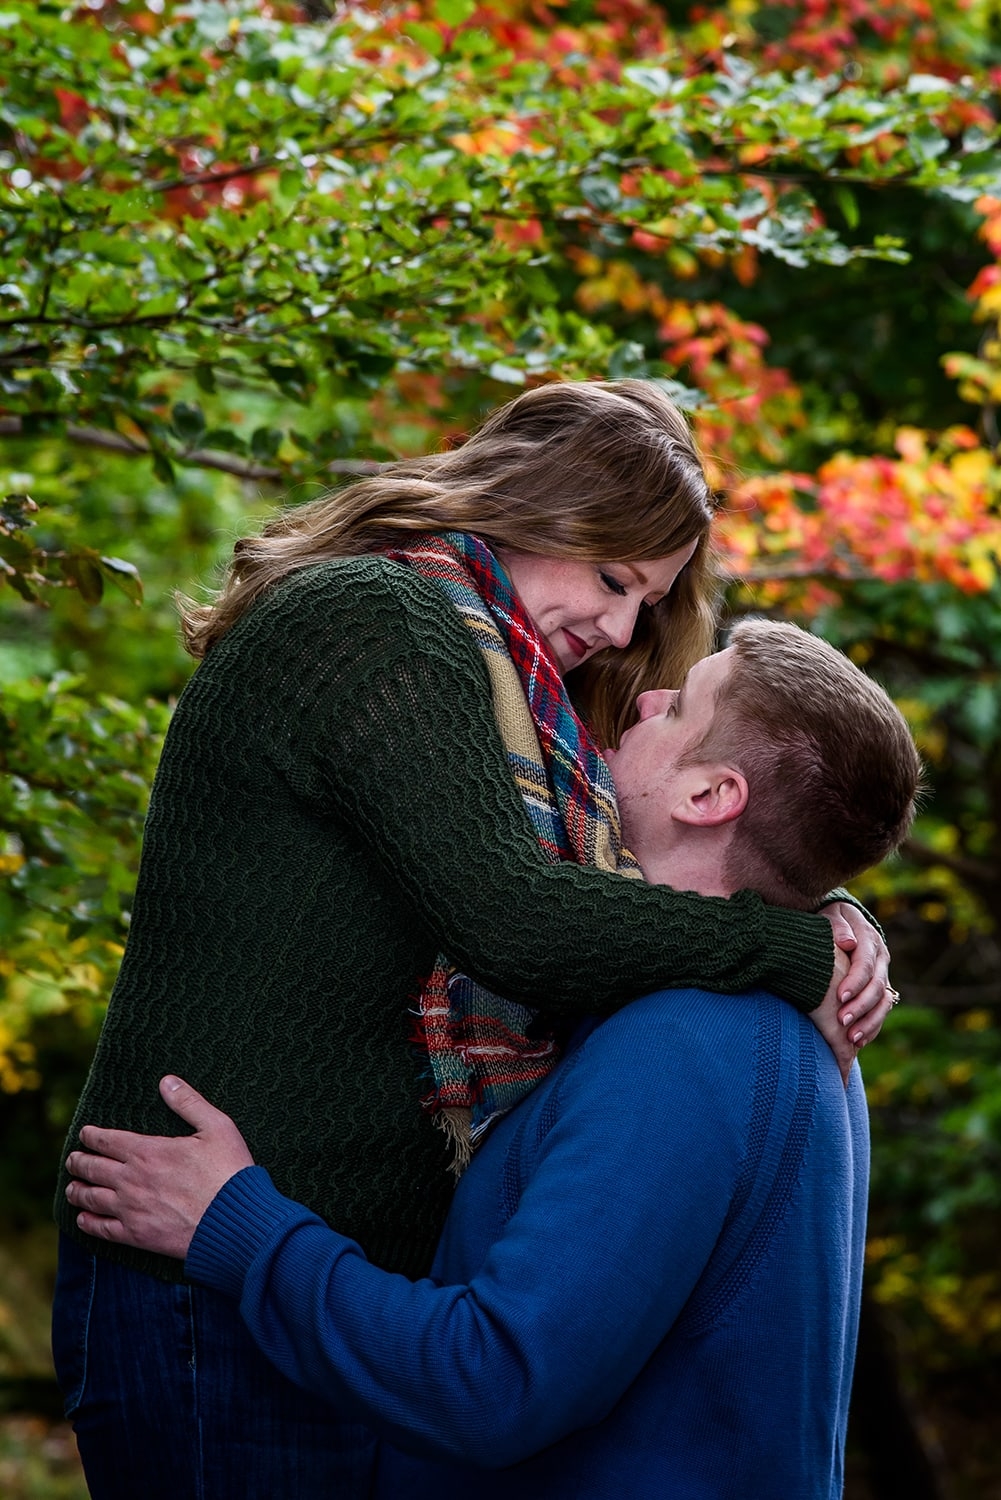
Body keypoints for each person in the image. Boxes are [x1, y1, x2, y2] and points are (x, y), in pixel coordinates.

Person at [52, 381, 890, 1499]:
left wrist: (825, 903)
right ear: (532, 502)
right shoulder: (376, 620)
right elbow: (521, 921)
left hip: (325, 1287)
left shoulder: (511, 700)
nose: (623, 631)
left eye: (645, 598)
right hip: (199, 1265)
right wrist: (795, 950)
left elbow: (690, 857)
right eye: (610, 577)